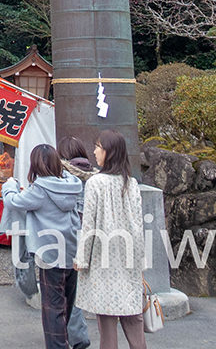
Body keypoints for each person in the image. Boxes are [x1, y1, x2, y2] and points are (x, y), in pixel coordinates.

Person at [4, 145, 83, 349]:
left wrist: (10, 185)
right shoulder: (72, 184)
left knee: (52, 307)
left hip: (50, 254)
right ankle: (72, 340)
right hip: (72, 250)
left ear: (36, 164)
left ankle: (58, 346)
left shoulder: (40, 189)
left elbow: (13, 202)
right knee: (68, 302)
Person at [76, 128, 147, 349]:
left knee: (106, 323)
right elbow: (138, 225)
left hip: (103, 261)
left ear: (109, 152)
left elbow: (89, 226)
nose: (95, 151)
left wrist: (81, 259)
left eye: (98, 146)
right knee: (133, 317)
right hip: (128, 261)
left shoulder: (95, 183)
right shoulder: (131, 183)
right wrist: (140, 260)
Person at [58, 136, 98, 349]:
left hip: (67, 238)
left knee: (67, 290)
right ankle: (76, 334)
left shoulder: (63, 176)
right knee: (77, 289)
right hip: (91, 237)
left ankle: (76, 336)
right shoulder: (95, 175)